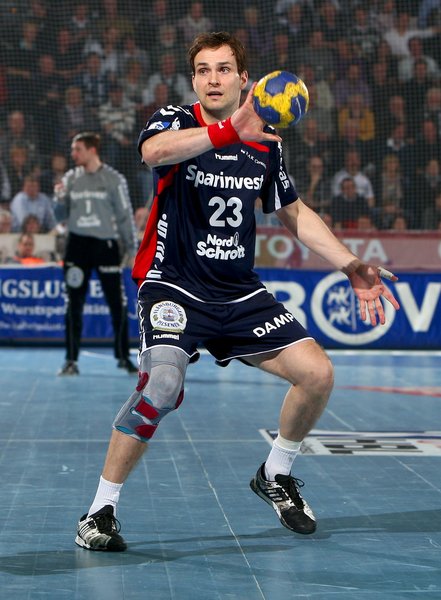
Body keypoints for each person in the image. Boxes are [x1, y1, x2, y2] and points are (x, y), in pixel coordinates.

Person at [74, 31, 400, 552]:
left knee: (317, 373)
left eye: (224, 69)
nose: (213, 79)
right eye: (203, 70)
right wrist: (228, 130)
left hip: (237, 291)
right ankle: (99, 512)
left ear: (245, 80)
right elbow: (153, 153)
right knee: (162, 385)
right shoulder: (174, 121)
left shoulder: (266, 142)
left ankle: (276, 473)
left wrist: (350, 264)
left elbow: (292, 211)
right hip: (173, 285)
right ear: (193, 80)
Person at [55, 132, 138, 376]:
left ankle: (123, 357)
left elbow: (125, 216)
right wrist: (58, 199)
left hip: (105, 246)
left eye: (77, 149)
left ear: (92, 150)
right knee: (73, 304)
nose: (73, 154)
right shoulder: (70, 178)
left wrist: (132, 248)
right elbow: (60, 217)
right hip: (77, 245)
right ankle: (71, 360)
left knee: (117, 303)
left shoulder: (114, 179)